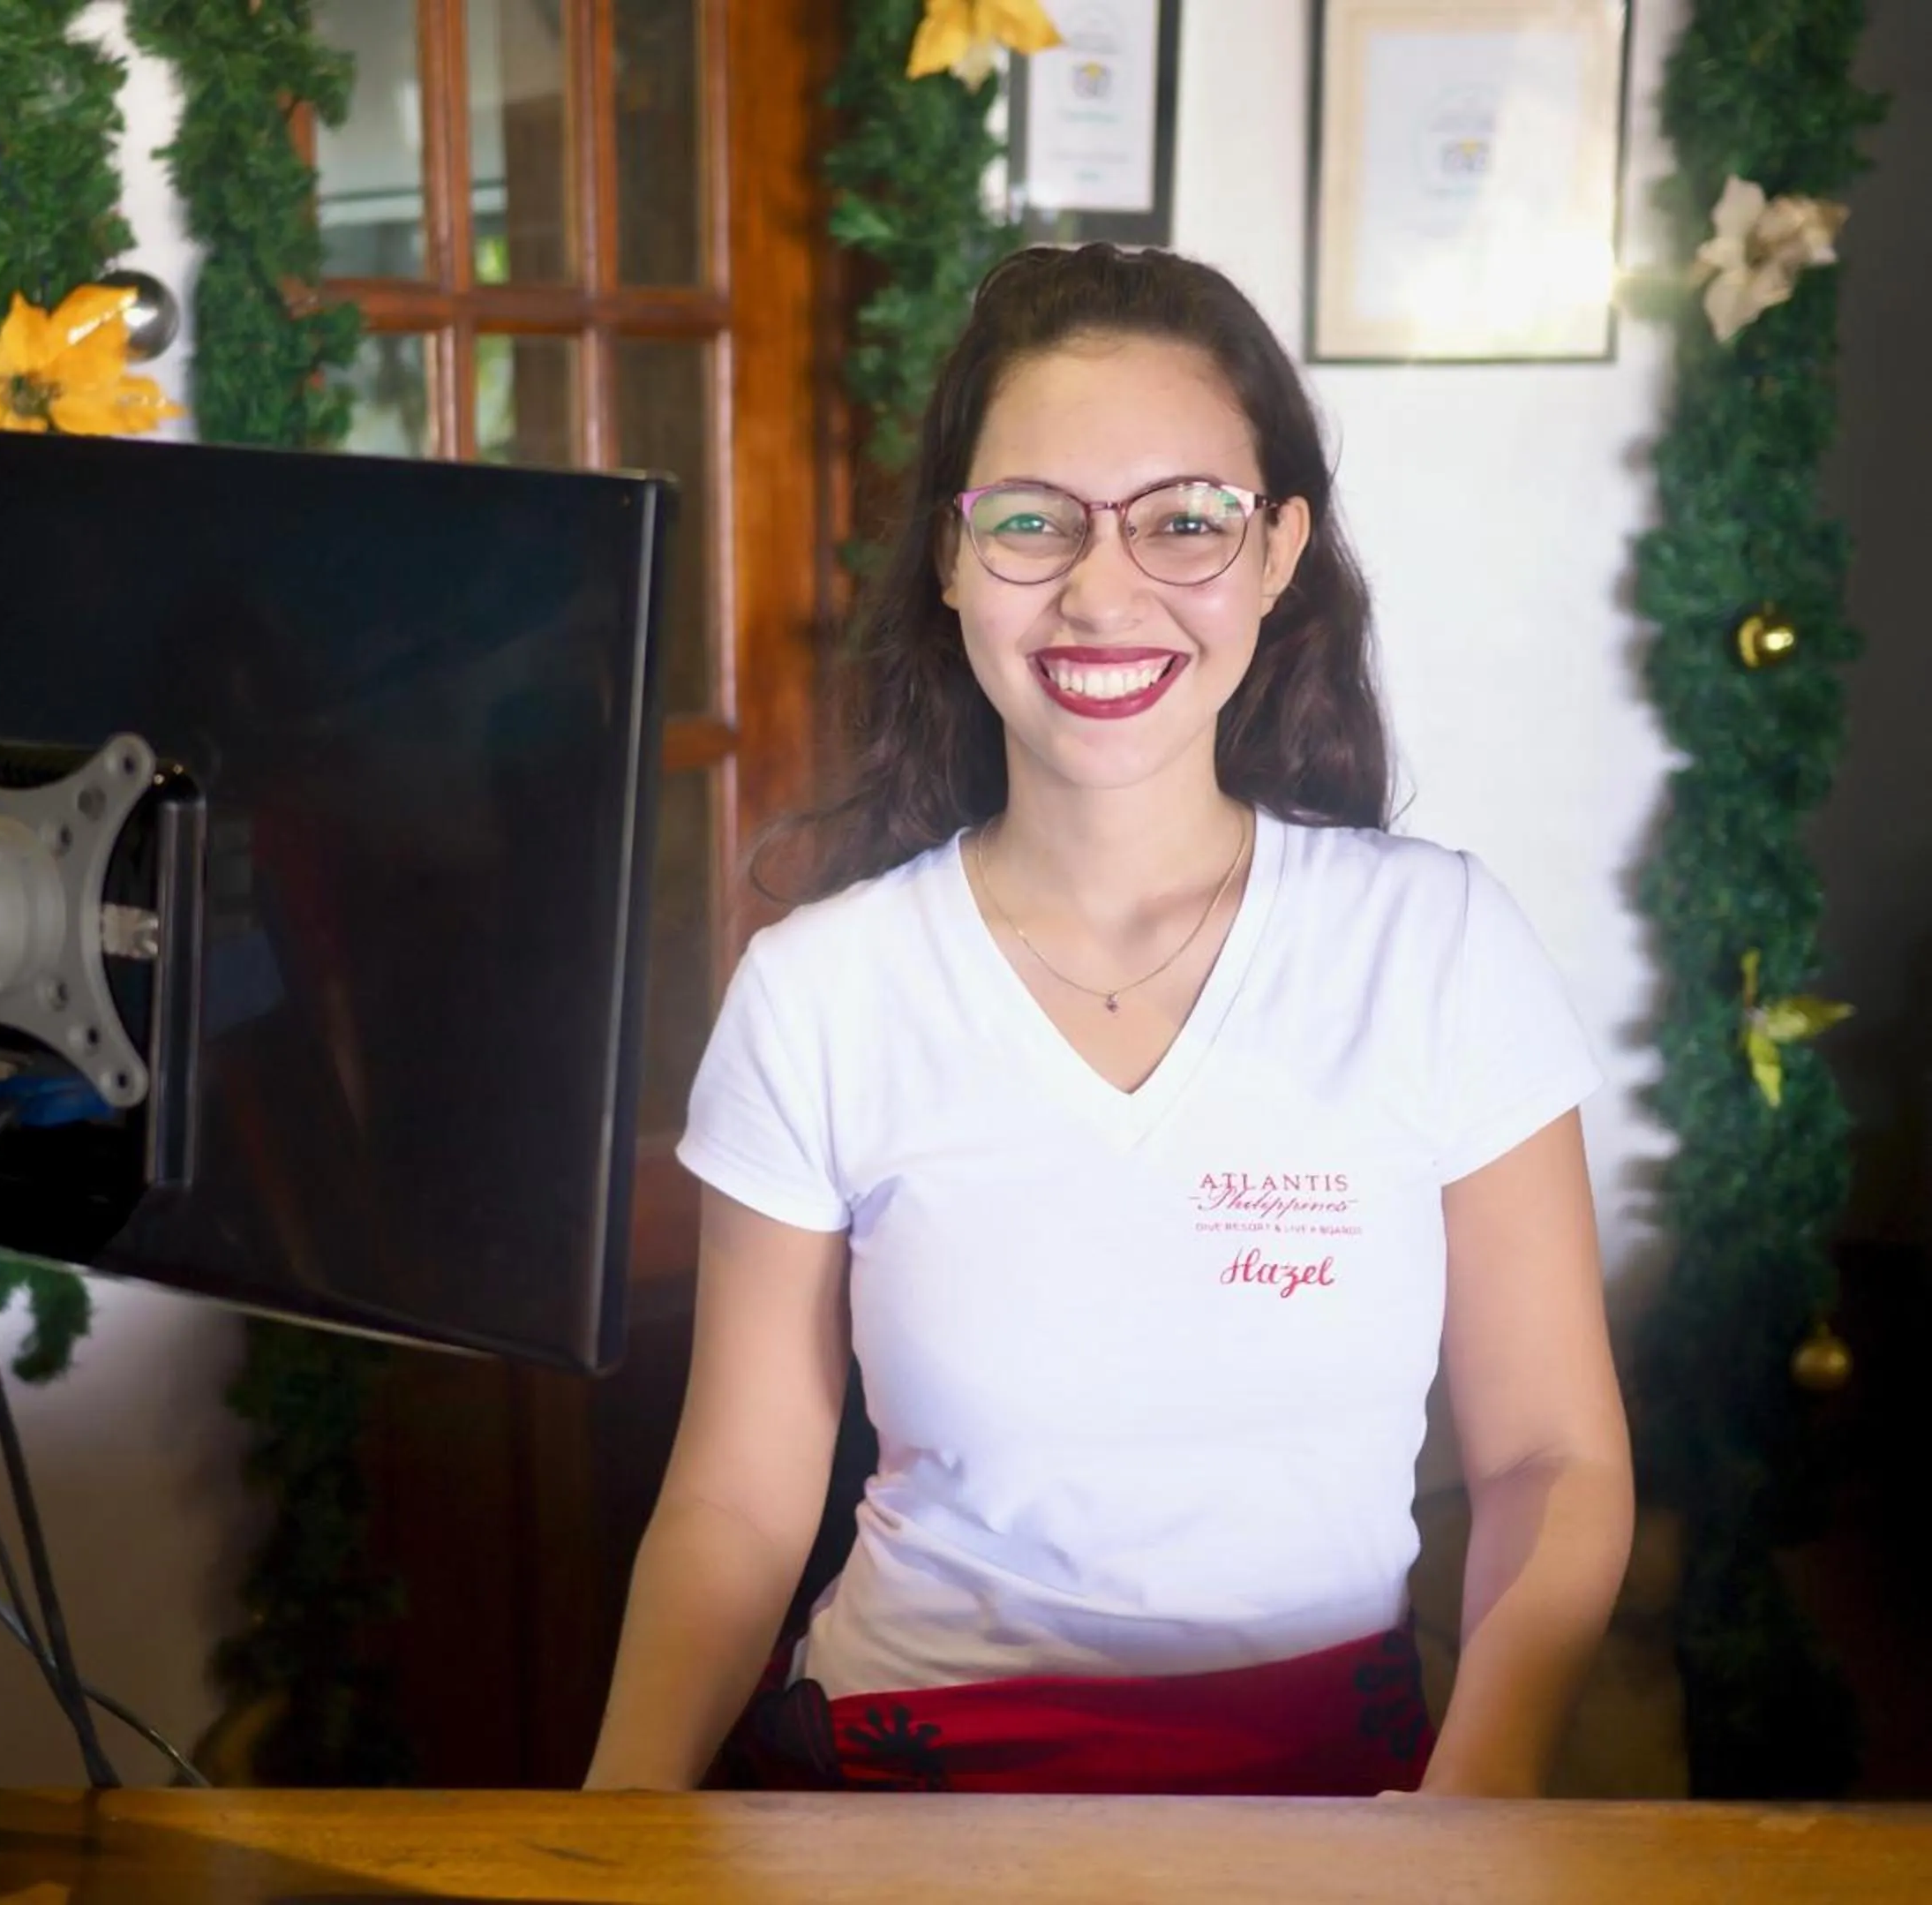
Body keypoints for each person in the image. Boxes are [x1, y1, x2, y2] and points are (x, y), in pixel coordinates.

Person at [583, 245, 1634, 1799]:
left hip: (1342, 1791)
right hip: (902, 1784)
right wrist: (614, 1830)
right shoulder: (819, 991)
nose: (1101, 588)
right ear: (950, 560)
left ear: (1279, 550)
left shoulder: (1437, 945)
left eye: (1183, 521)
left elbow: (1553, 1455)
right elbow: (739, 1501)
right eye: (1031, 522)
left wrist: (1465, 1817)